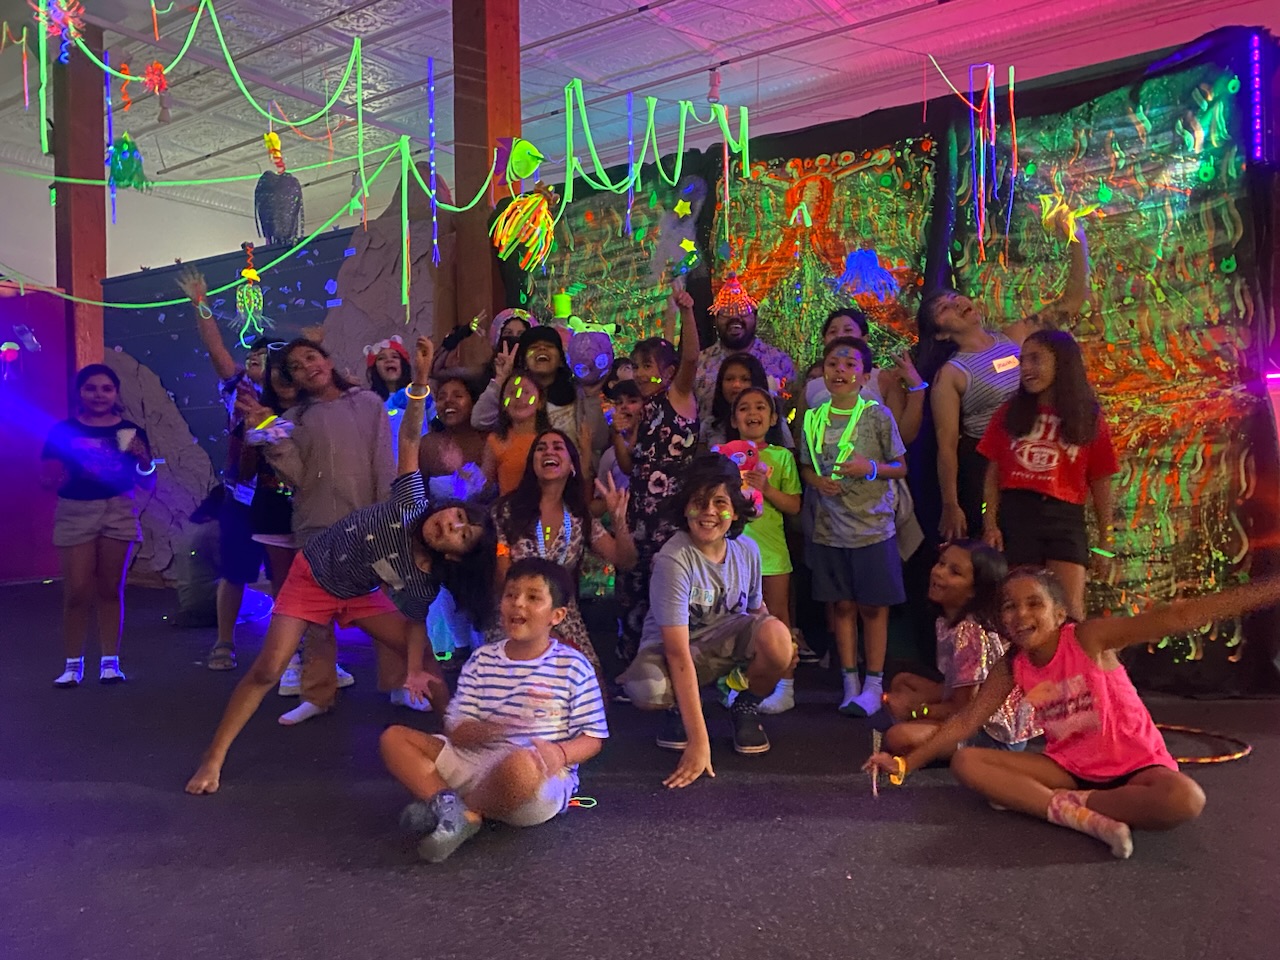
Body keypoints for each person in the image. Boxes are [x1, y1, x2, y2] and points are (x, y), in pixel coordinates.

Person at [185, 338, 496, 796]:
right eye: (457, 516)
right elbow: (410, 439)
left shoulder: (422, 579)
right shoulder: (411, 502)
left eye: (461, 533)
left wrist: (413, 668)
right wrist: (420, 383)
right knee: (269, 669)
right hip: (312, 575)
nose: (452, 522)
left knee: (427, 659)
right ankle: (213, 758)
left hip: (359, 590)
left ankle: (459, 746)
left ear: (453, 556)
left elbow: (414, 623)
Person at [867, 567, 1280, 859]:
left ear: (1059, 613)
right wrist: (903, 764)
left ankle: (1069, 805)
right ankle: (1077, 813)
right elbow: (965, 721)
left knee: (1184, 799)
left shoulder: (1087, 638)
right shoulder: (1012, 665)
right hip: (1068, 767)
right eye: (1010, 607)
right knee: (967, 761)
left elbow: (1177, 617)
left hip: (1136, 767)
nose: (1021, 615)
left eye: (1034, 604)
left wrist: (1269, 590)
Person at [379, 557, 608, 862]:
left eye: (533, 597)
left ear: (557, 615)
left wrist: (560, 754)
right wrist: (482, 731)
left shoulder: (573, 666)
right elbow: (456, 727)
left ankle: (456, 809)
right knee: (395, 738)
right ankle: (454, 809)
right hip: (475, 760)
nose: (518, 604)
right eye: (511, 595)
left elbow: (593, 738)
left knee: (521, 766)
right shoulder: (482, 660)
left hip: (535, 778)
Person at [236, 336, 393, 723]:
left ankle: (401, 683)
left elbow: (384, 463)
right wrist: (269, 434)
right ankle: (318, 694)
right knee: (316, 616)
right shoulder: (294, 420)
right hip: (315, 527)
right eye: (297, 366)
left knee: (388, 606)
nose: (308, 367)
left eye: (311, 357)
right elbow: (297, 477)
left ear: (328, 360)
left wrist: (387, 519)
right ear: (293, 380)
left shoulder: (368, 403)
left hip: (369, 524)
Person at [618, 455, 794, 787]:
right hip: (679, 652)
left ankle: (744, 705)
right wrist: (700, 743)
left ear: (736, 511)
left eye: (720, 502)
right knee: (647, 688)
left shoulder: (748, 551)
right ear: (685, 508)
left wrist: (779, 650)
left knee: (779, 638)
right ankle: (680, 710)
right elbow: (677, 653)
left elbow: (757, 612)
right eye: (699, 502)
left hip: (724, 643)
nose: (709, 511)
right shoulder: (674, 559)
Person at [929, 218, 1090, 541]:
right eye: (943, 308)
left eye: (955, 297)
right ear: (941, 333)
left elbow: (1071, 303)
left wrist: (1078, 241)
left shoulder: (1016, 336)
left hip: (1039, 450)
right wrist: (950, 503)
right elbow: (946, 446)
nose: (956, 303)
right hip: (991, 466)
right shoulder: (951, 375)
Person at [799, 337, 907, 717]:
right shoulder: (814, 417)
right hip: (830, 527)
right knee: (842, 606)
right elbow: (806, 466)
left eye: (849, 365)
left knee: (873, 608)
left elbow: (901, 467)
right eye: (833, 364)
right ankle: (850, 683)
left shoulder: (877, 416)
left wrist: (869, 468)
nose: (840, 371)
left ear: (864, 376)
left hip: (872, 528)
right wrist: (817, 481)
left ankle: (874, 683)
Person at [979, 330, 1117, 620]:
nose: (1026, 368)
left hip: (1065, 516)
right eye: (1023, 361)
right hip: (1018, 513)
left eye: (1036, 359)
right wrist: (990, 522)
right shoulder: (1009, 412)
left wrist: (1106, 542)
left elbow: (1101, 481)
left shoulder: (1087, 417)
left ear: (1062, 362)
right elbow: (992, 475)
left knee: (1069, 611)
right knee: (1022, 608)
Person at [176, 266, 275, 673]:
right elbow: (217, 351)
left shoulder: (292, 397)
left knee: (286, 575)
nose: (254, 359)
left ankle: (292, 650)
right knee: (235, 571)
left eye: (264, 357)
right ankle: (224, 641)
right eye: (252, 355)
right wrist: (201, 304)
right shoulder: (239, 389)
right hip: (241, 497)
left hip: (281, 498)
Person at [40, 364, 154, 687]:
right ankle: (72, 665)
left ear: (116, 393)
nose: (99, 395)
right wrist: (53, 475)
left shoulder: (129, 430)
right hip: (75, 510)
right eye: (91, 388)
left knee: (110, 587)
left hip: (118, 508)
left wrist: (144, 461)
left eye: (106, 388)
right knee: (77, 590)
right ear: (80, 392)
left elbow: (147, 481)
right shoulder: (65, 430)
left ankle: (110, 662)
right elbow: (47, 478)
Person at [491, 429, 637, 678]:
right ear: (533, 464)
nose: (549, 451)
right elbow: (502, 578)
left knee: (592, 683)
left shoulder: (579, 517)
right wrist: (542, 631)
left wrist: (619, 521)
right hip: (515, 611)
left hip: (562, 615)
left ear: (571, 466)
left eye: (558, 447)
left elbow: (625, 561)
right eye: (541, 448)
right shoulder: (507, 510)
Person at [882, 541, 1038, 755]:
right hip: (967, 708)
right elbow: (956, 685)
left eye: (954, 572)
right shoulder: (948, 621)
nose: (939, 573)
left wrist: (917, 711)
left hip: (993, 733)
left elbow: (965, 710)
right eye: (941, 563)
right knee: (903, 681)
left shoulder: (970, 632)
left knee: (898, 737)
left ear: (975, 590)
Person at [614, 284, 701, 666]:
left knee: (669, 597)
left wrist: (687, 312)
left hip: (672, 518)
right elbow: (629, 466)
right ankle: (632, 671)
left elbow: (692, 356)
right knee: (632, 593)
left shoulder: (677, 396)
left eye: (647, 366)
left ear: (668, 372)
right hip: (639, 518)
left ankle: (674, 670)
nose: (639, 373)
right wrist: (621, 434)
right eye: (636, 366)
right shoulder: (642, 409)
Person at [729, 386, 802, 713]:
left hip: (772, 554)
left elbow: (795, 506)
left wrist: (767, 489)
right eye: (744, 408)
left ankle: (785, 686)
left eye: (760, 407)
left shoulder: (782, 457)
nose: (752, 413)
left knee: (778, 618)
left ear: (773, 418)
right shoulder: (724, 456)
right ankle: (737, 685)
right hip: (732, 554)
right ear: (734, 419)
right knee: (737, 621)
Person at [472, 326, 607, 464]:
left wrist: (591, 396)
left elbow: (599, 442)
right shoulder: (515, 395)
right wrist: (501, 380)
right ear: (524, 360)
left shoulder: (577, 393)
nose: (542, 349)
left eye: (549, 346)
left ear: (561, 360)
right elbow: (479, 421)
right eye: (534, 347)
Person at [802, 307, 926, 446]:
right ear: (824, 341)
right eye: (833, 332)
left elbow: (901, 437)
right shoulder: (811, 388)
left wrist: (917, 387)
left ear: (864, 339)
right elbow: (802, 442)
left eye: (848, 330)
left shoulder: (883, 379)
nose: (840, 336)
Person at [694, 271, 799, 424]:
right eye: (727, 312)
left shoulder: (779, 362)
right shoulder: (699, 364)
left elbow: (791, 412)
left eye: (743, 312)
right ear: (715, 320)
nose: (735, 317)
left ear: (755, 317)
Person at [700, 352, 793, 450]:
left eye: (745, 379)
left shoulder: (777, 422)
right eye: (729, 379)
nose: (736, 385)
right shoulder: (711, 425)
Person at [481, 374, 550, 497]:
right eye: (512, 393)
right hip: (509, 507)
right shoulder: (495, 440)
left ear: (540, 402)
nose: (519, 397)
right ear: (503, 404)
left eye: (526, 392)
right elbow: (484, 486)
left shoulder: (553, 439)